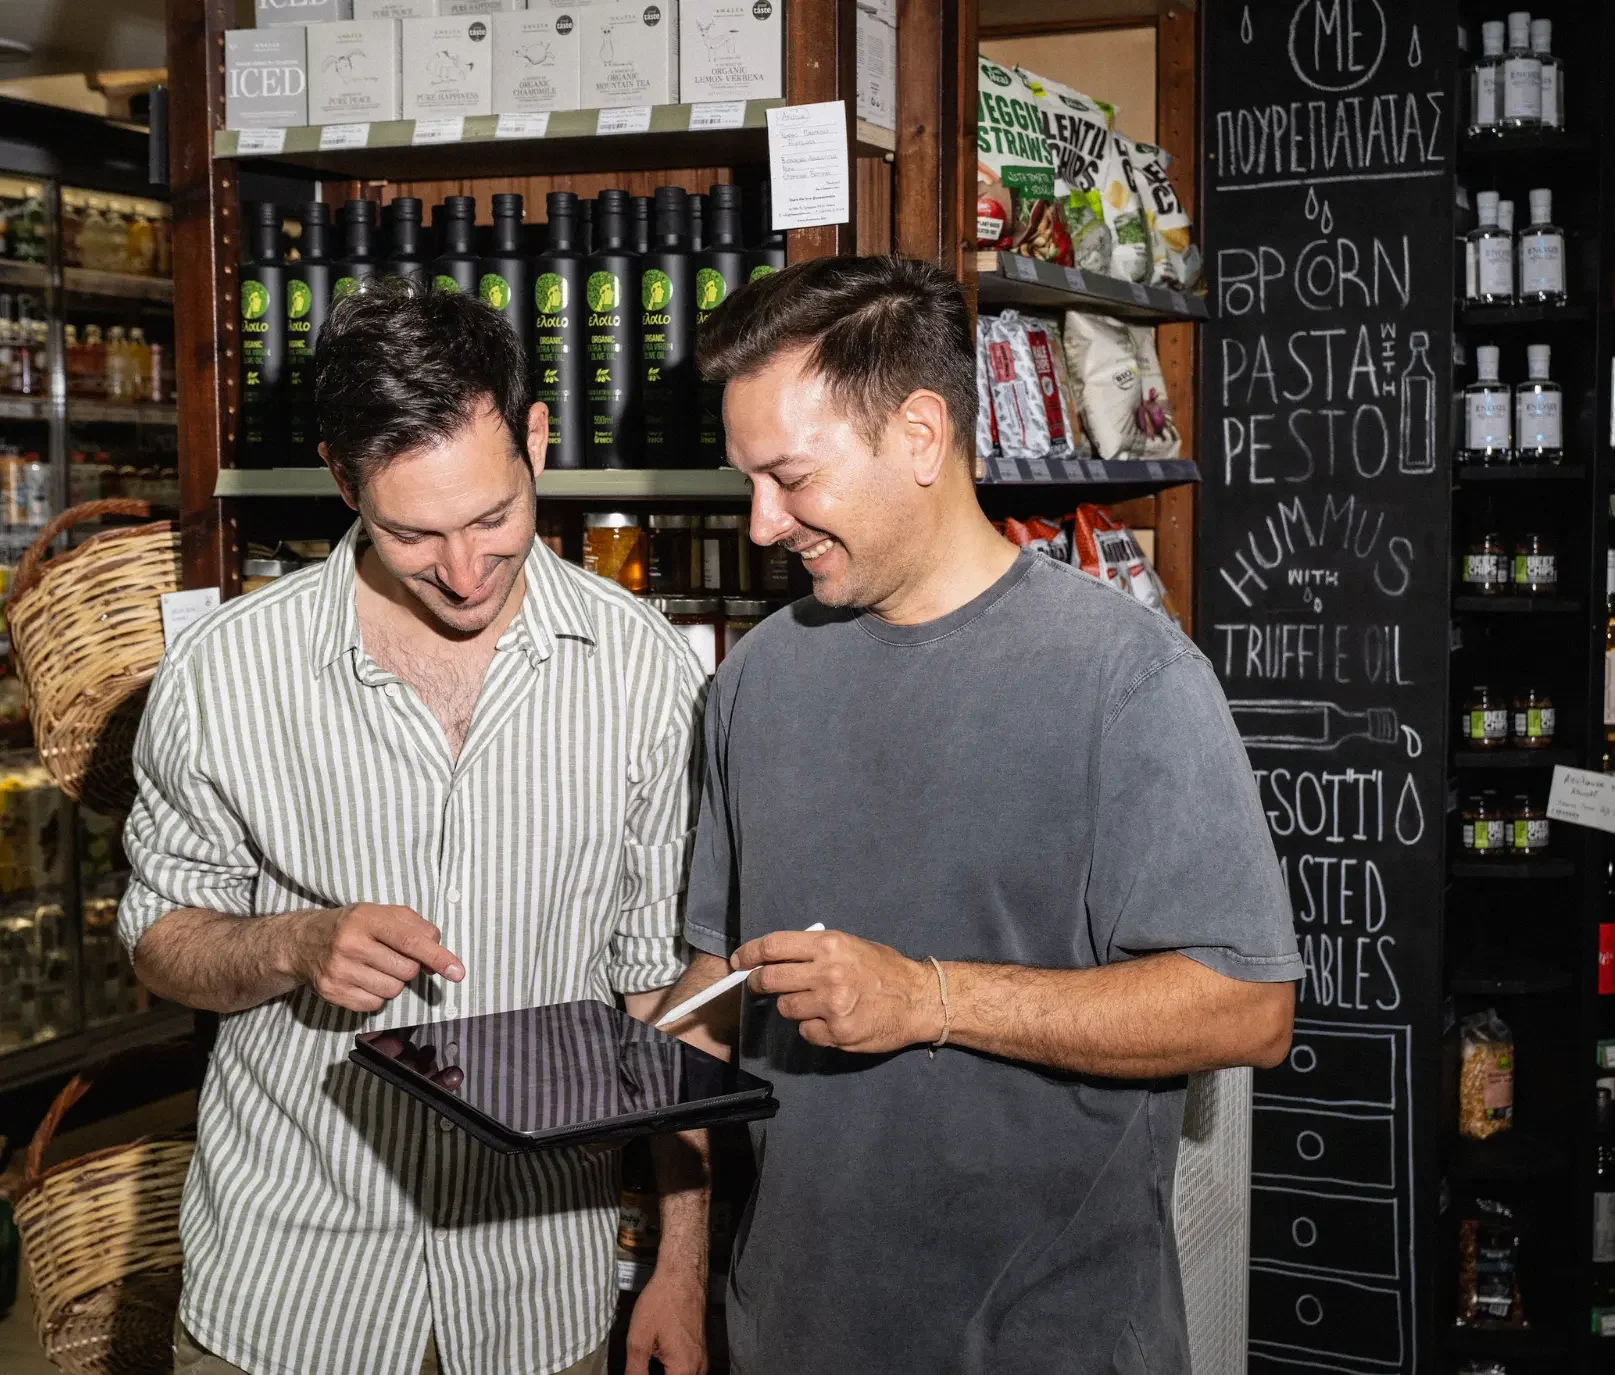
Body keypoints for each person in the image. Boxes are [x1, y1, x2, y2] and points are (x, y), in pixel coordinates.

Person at [658, 256, 1300, 1374]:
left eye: (791, 478)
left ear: (918, 435)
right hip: (793, 1329)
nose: (761, 524)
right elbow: (714, 989)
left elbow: (1247, 1008)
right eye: (747, 480)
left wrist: (928, 997)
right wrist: (580, 1076)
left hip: (1049, 1341)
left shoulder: (1127, 677)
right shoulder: (755, 681)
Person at [119, 286, 710, 1375]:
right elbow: (160, 938)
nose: (466, 570)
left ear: (535, 437)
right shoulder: (225, 671)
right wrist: (291, 945)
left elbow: (660, 1007)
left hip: (538, 1293)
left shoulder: (646, 671)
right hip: (287, 1291)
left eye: (494, 517)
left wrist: (677, 1267)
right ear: (342, 480)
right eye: (413, 533)